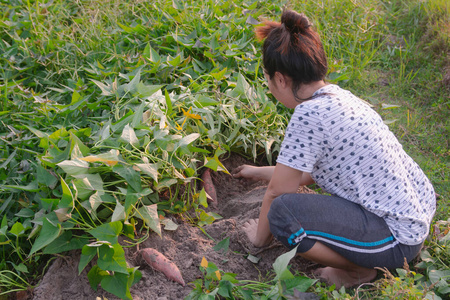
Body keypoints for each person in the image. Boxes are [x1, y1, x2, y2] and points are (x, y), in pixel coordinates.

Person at [232, 9, 436, 288]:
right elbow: (308, 174)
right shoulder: (339, 97)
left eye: (267, 78)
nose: (268, 85)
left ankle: (357, 270)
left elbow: (279, 191)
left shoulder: (308, 115)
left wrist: (258, 238)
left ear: (280, 79)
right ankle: (370, 258)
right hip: (414, 219)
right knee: (283, 206)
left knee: (281, 214)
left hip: (394, 241)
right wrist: (256, 171)